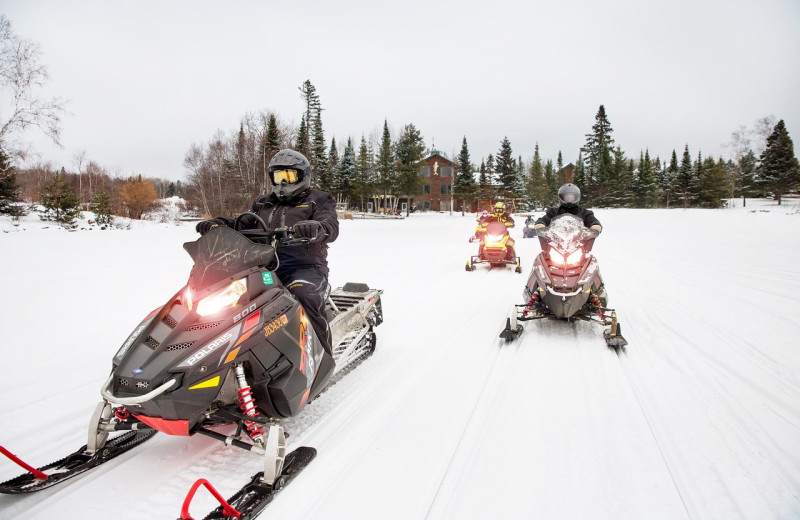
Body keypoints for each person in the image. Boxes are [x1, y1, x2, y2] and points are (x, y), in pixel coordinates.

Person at [196, 149, 339, 356]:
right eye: (278, 176)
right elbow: (242, 223)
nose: (283, 182)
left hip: (304, 267)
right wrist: (218, 225)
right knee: (230, 301)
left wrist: (317, 228)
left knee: (303, 295)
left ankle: (322, 358)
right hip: (262, 265)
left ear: (303, 176)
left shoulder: (319, 199)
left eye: (289, 176)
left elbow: (330, 225)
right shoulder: (264, 202)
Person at [535, 184, 602, 232]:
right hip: (556, 243)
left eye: (572, 197)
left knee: (589, 252)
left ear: (576, 197)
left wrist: (595, 225)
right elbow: (544, 219)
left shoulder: (585, 213)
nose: (569, 199)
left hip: (579, 243)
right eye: (567, 197)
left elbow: (593, 220)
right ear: (561, 197)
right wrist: (540, 224)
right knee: (544, 252)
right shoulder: (553, 212)